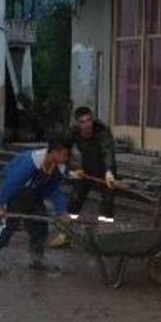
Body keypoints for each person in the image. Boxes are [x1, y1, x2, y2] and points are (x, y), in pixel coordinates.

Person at [0, 137, 72, 277]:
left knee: (40, 226)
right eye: (65, 154)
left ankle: (37, 259)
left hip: (34, 195)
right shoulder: (31, 161)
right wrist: (0, 204)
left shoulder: (58, 167)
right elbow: (11, 182)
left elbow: (54, 190)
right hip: (15, 192)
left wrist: (62, 211)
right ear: (54, 152)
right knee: (7, 226)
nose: (67, 158)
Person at [49, 106, 117, 247]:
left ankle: (104, 237)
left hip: (106, 172)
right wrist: (68, 170)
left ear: (92, 119)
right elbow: (63, 149)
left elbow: (108, 153)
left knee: (107, 204)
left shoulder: (102, 131)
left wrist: (109, 172)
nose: (86, 125)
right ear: (78, 123)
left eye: (89, 120)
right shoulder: (73, 132)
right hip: (86, 171)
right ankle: (66, 235)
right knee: (74, 200)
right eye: (82, 121)